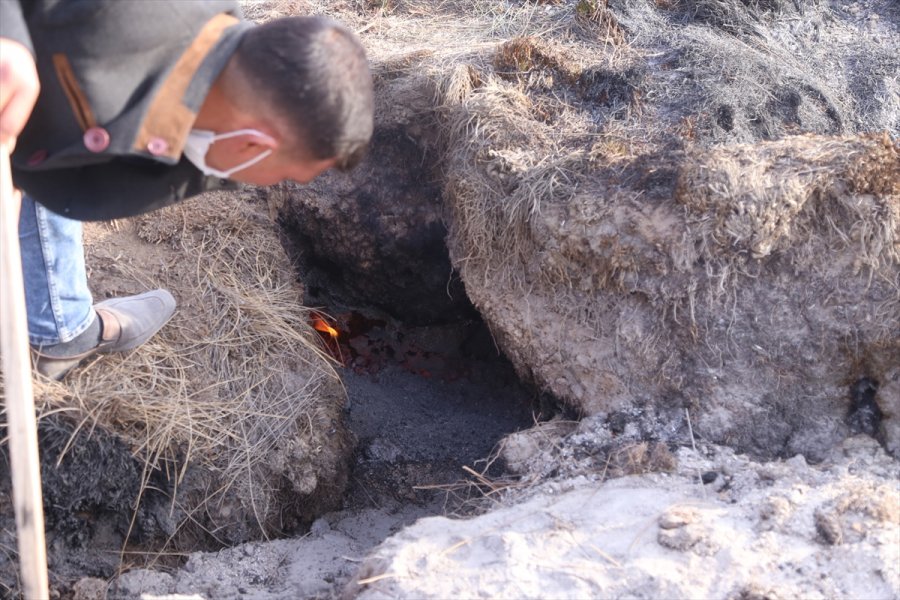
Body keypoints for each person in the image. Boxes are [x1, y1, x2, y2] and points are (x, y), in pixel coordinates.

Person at [0, 1, 374, 379]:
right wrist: (8, 32)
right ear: (251, 145)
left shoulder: (200, 115)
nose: (277, 185)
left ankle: (60, 329)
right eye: (286, 175)